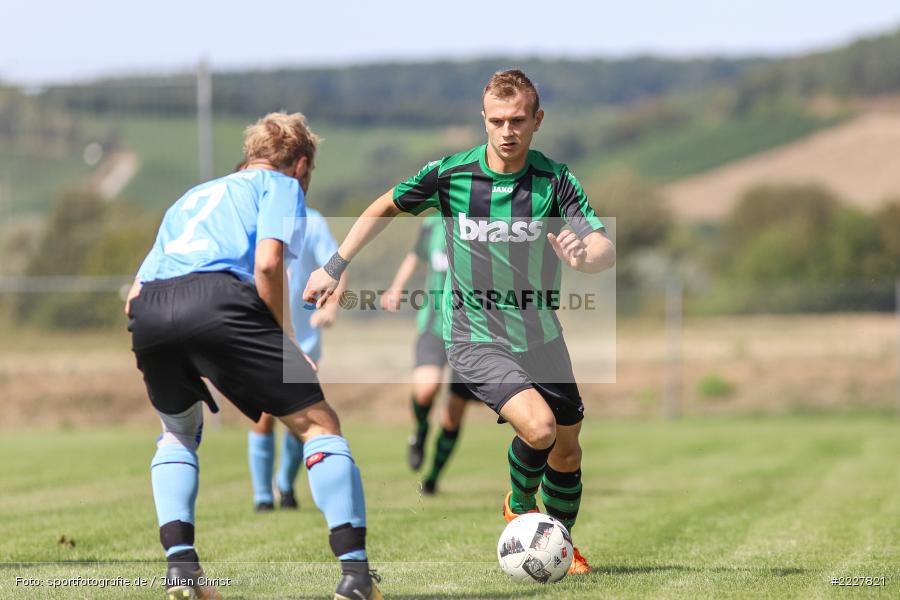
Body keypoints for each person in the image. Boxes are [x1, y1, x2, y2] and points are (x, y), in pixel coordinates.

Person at [304, 70, 615, 575]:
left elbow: (602, 244)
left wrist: (586, 256)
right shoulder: (450, 175)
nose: (507, 131)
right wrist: (335, 266)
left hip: (542, 336)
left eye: (518, 120)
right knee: (539, 429)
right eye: (497, 121)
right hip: (475, 337)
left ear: (538, 120)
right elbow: (384, 206)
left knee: (567, 451)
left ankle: (560, 545)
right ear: (484, 119)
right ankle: (520, 505)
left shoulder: (556, 180)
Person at [127, 112, 381, 600]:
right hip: (220, 298)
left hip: (151, 310)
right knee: (319, 425)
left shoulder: (192, 197)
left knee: (177, 433)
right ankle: (356, 577)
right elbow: (267, 264)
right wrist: (285, 342)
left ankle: (182, 570)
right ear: (301, 164)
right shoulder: (281, 185)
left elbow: (133, 294)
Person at [248, 205, 347, 512]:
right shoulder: (253, 219)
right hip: (260, 334)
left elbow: (337, 266)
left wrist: (331, 309)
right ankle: (263, 497)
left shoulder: (312, 222)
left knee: (301, 416)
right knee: (264, 414)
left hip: (302, 340)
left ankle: (285, 485)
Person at [381, 211, 478, 494]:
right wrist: (397, 287)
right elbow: (415, 255)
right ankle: (421, 429)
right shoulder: (433, 224)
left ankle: (432, 478)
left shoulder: (488, 224)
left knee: (453, 413)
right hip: (434, 325)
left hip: (474, 334)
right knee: (425, 390)